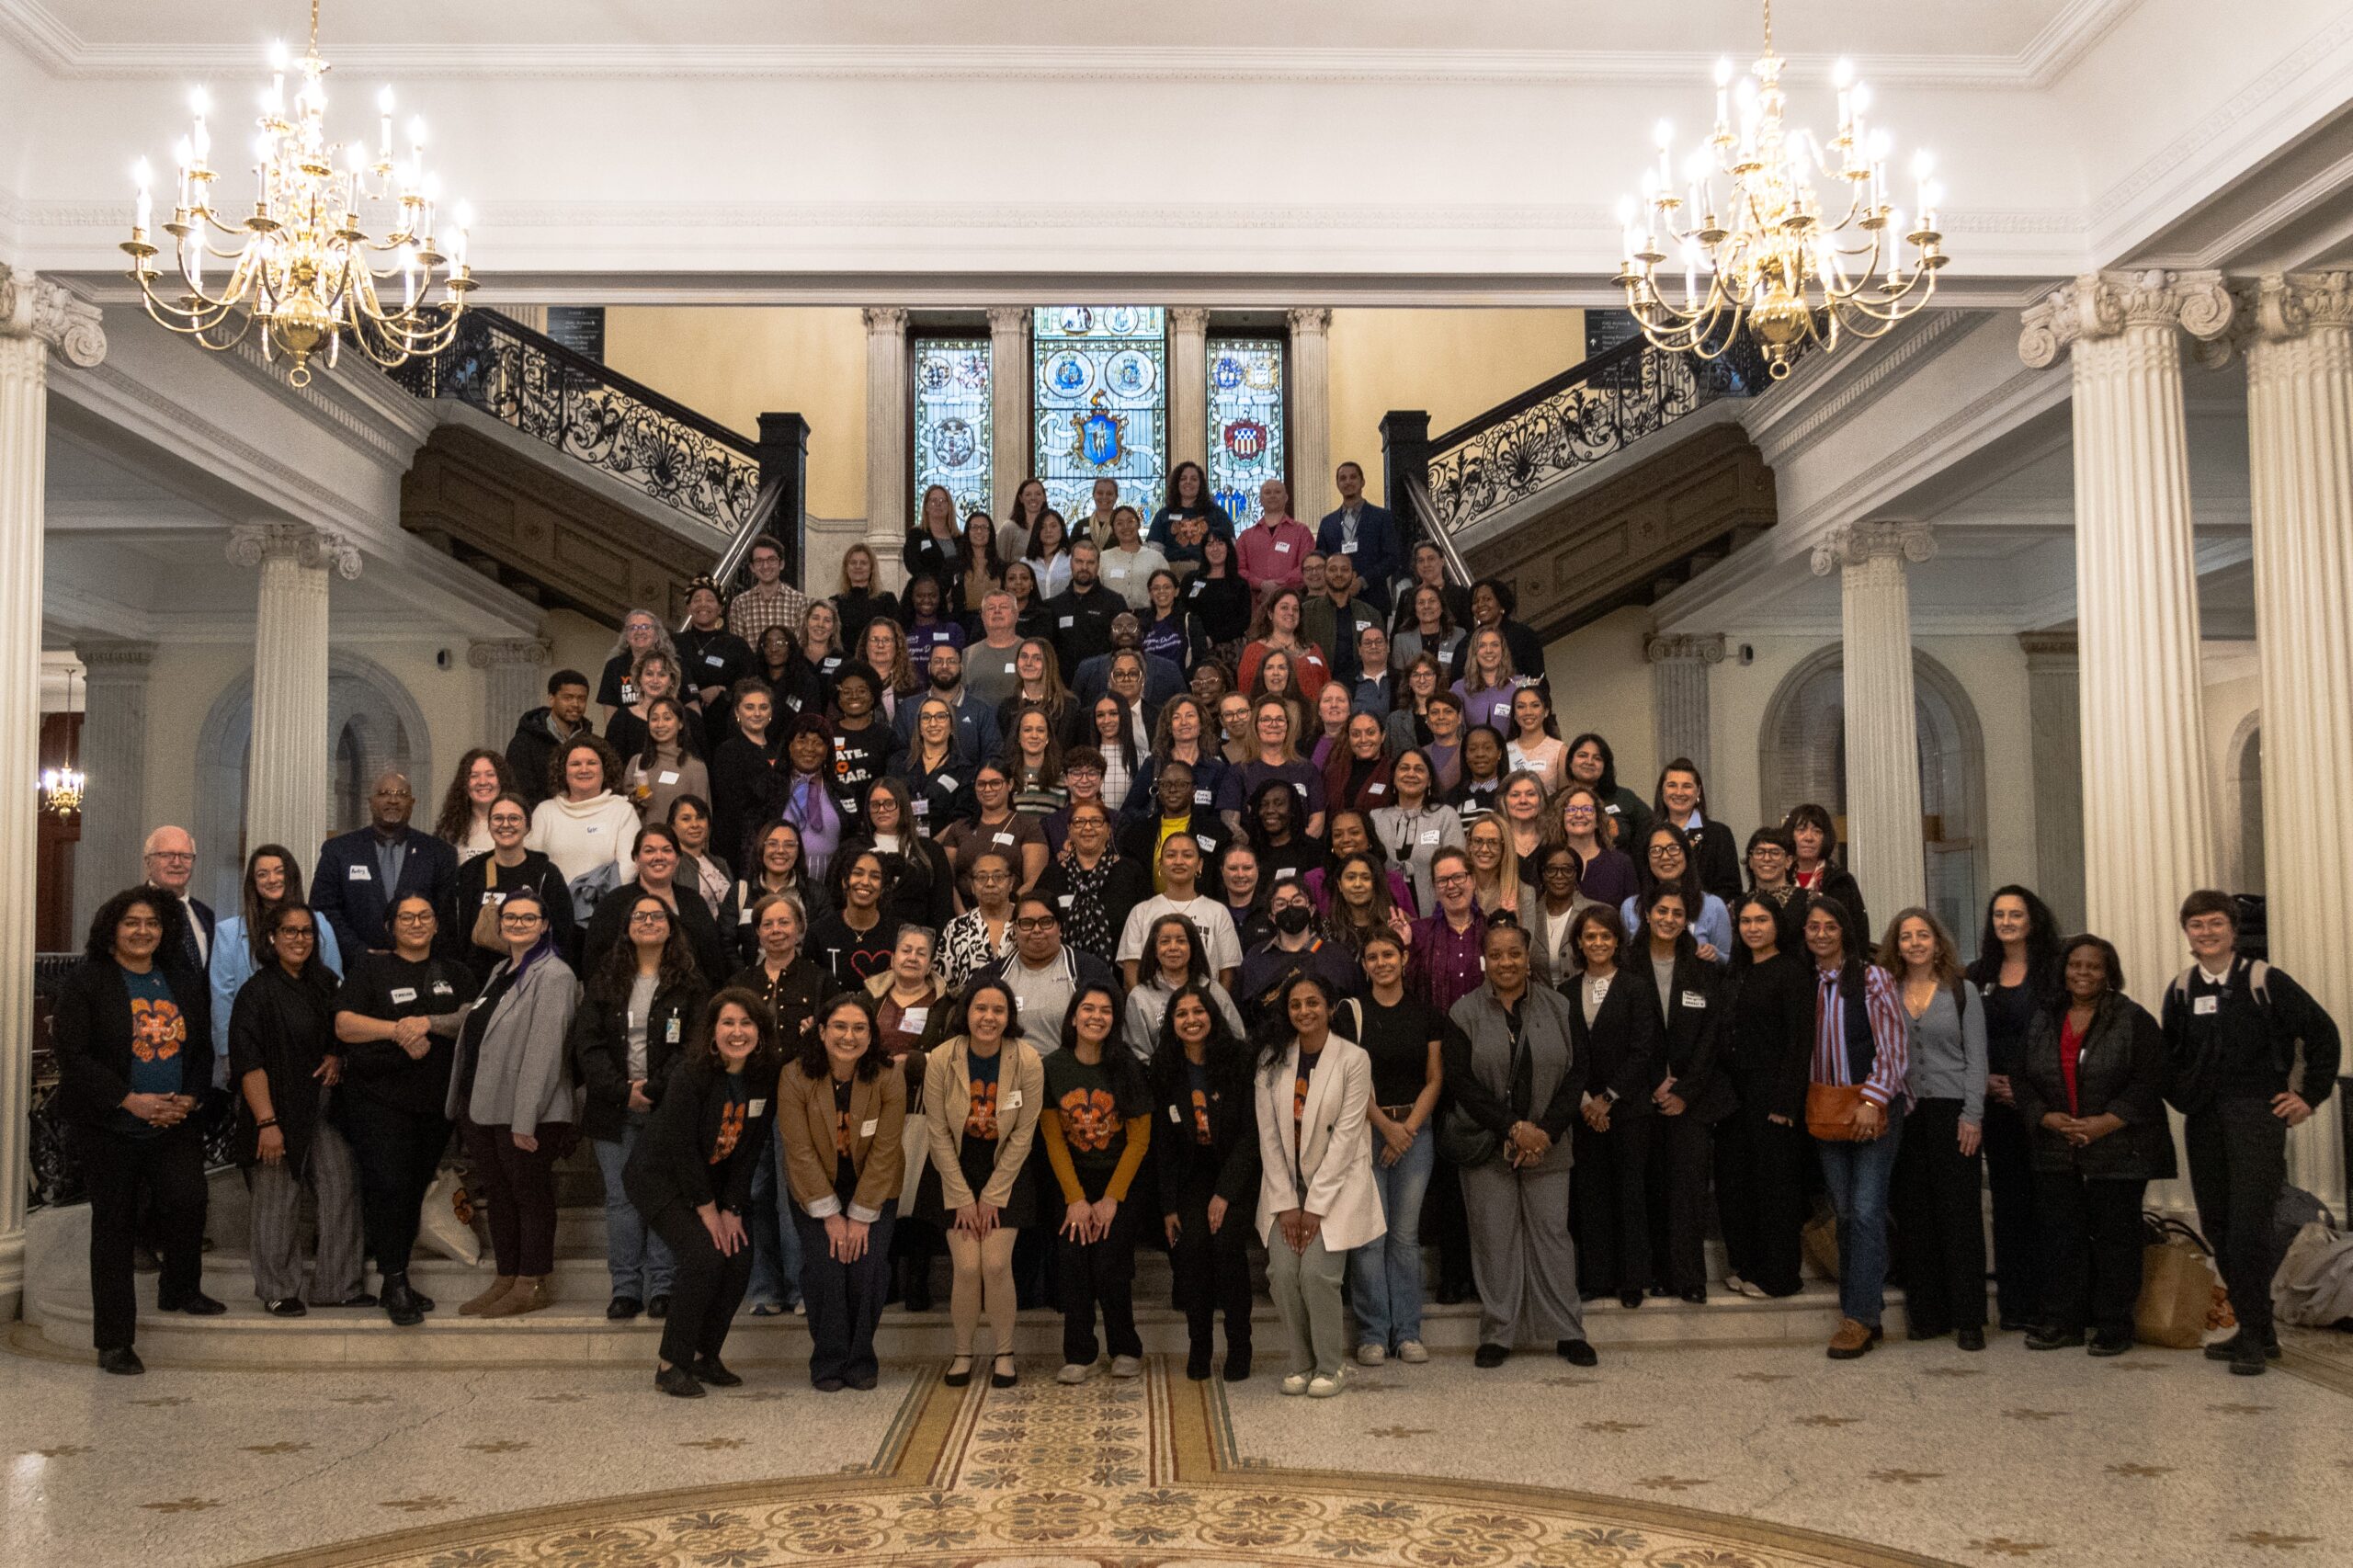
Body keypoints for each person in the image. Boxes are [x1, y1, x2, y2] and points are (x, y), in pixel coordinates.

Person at [2162, 888, 2340, 1375]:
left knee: (2248, 1226)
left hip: (2255, 1118)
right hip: (2204, 1120)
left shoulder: (2265, 980)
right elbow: (2171, 1054)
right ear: (2187, 932)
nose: (2206, 932)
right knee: (2217, 1223)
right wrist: (2183, 1096)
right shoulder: (2181, 990)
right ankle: (2258, 1334)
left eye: (2215, 923)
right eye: (2197, 925)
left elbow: (2323, 1034)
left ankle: (2255, 1335)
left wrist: (2308, 1096)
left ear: (2232, 929)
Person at [51, 888, 220, 1372]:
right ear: (112, 928)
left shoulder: (182, 979)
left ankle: (180, 1289)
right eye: (132, 923)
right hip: (108, 1124)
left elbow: (202, 1049)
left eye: (152, 923)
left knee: (189, 1201)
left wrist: (190, 1096)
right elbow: (73, 1056)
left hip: (174, 1120)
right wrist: (132, 1101)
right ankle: (114, 1340)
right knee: (114, 1227)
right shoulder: (87, 981)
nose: (142, 931)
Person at [2018, 935, 2176, 1359]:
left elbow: (2152, 1078)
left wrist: (2107, 1121)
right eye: (2075, 965)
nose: (2082, 973)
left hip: (2121, 1147)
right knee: (2060, 1237)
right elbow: (2021, 1077)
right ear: (2064, 970)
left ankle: (2113, 1325)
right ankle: (2064, 1323)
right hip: (2056, 1145)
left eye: (2093, 967)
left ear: (2109, 973)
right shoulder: (2043, 1018)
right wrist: (2044, 1117)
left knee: (2116, 1239)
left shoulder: (2132, 1019)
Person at [1450, 920, 1597, 1368]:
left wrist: (1545, 1132)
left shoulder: (1558, 1006)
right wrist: (1514, 1129)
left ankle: (1567, 1331)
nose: (1506, 963)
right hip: (1488, 1147)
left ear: (1527, 957)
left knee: (1553, 1237)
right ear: (1485, 960)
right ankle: (1499, 1331)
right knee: (1495, 1239)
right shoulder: (1463, 1012)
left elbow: (1577, 1075)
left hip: (1550, 1145)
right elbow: (1463, 1084)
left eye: (1514, 953)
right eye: (1496, 955)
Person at [331, 893, 476, 1327]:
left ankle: (399, 1275)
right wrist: (399, 1030)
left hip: (435, 1105)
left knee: (412, 1191)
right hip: (379, 1101)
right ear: (391, 925)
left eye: (424, 916)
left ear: (436, 925)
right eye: (406, 917)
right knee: (388, 1186)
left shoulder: (457, 972)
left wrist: (429, 1023)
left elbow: (473, 1020)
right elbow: (344, 1024)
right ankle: (392, 1280)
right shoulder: (371, 969)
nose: (416, 923)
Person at [625, 988, 779, 1396]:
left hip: (712, 1184)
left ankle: (704, 1355)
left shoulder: (764, 1077)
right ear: (712, 1031)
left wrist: (732, 1207)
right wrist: (708, 1210)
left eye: (746, 1023)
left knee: (739, 1255)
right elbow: (681, 1147)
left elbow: (748, 1153)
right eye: (727, 1022)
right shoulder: (690, 1074)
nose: (737, 1031)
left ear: (760, 1032)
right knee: (703, 1255)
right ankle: (670, 1363)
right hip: (659, 1177)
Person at [574, 892, 710, 1322]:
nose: (648, 921)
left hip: (668, 1109)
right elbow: (587, 1044)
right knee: (621, 1201)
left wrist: (653, 1089)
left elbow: (695, 1044)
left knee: (666, 1199)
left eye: (657, 915)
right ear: (627, 927)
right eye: (639, 916)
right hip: (612, 1108)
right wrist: (621, 1090)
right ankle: (627, 1289)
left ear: (671, 926)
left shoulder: (690, 983)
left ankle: (664, 1287)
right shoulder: (604, 980)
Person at [228, 903, 367, 1317]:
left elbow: (340, 1033)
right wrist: (266, 1123)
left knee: (341, 1188)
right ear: (271, 938)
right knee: (276, 1201)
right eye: (289, 931)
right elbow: (247, 1062)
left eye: (306, 932)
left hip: (322, 1109)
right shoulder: (256, 992)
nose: (298, 939)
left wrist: (336, 1056)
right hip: (273, 1109)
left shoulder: (325, 982)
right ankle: (277, 1289)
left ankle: (337, 1286)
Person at [448, 889, 578, 1320]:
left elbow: (544, 1053)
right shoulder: (502, 969)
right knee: (500, 1196)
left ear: (544, 925)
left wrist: (526, 1119)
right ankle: (506, 1278)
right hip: (484, 1107)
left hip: (527, 1113)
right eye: (510, 918)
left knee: (529, 1195)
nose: (518, 924)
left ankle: (532, 1281)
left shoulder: (554, 975)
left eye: (528, 918)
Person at [1254, 971, 1381, 1397]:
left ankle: (1330, 1365)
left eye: (1313, 1003)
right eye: (1295, 1005)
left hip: (1336, 1188)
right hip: (1285, 1190)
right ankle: (1300, 1363)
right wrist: (1288, 1203)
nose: (1304, 1011)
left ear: (1329, 1008)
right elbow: (1268, 1137)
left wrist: (1315, 1206)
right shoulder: (1272, 1060)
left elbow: (1346, 1138)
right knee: (1283, 1272)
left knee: (1318, 1276)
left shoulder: (1353, 1059)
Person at [1871, 906, 1990, 1348]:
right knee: (1915, 1215)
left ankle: (1970, 1318)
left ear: (1937, 942)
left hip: (1953, 1111)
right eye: (1906, 937)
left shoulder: (1963, 991)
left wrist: (1972, 1115)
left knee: (1959, 1216)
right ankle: (1928, 1314)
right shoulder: (1886, 991)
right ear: (1896, 945)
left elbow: (1977, 1057)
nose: (1915, 943)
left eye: (1923, 935)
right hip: (1904, 1113)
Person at [921, 977, 1045, 1390]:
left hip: (1007, 1168)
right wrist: (960, 1196)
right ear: (966, 1013)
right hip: (953, 1165)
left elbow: (1024, 1134)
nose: (988, 1017)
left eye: (998, 1010)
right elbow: (937, 1132)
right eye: (980, 1009)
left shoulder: (1027, 1059)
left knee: (994, 1264)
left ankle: (1004, 1352)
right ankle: (962, 1352)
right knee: (967, 1266)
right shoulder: (942, 1058)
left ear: (1009, 1017)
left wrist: (993, 1195)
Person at [780, 992, 908, 1391]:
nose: (848, 1036)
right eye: (839, 1026)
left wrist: (861, 1214)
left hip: (875, 1186)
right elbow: (799, 1152)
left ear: (871, 1036)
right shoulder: (795, 1075)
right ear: (821, 1031)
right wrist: (832, 1215)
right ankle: (828, 1359)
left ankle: (861, 1358)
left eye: (858, 1028)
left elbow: (887, 1150)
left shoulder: (888, 1076)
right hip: (814, 1186)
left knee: (868, 1269)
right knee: (826, 1269)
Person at [1803, 895, 1910, 1359]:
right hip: (1826, 1110)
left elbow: (1895, 1046)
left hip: (1872, 1109)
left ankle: (1858, 1318)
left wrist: (1873, 1099)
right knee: (1844, 1214)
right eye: (1813, 927)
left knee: (1867, 1212)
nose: (1821, 934)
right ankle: (1864, 1311)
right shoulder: (1805, 981)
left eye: (1830, 926)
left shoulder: (1872, 977)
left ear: (1844, 930)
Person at [728, 892, 838, 1318]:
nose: (776, 931)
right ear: (757, 932)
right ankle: (764, 1288)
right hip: (750, 1101)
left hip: (799, 1104)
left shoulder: (818, 981)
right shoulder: (742, 983)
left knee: (793, 1197)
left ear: (800, 929)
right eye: (768, 924)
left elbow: (834, 1043)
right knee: (753, 1193)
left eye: (784, 923)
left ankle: (800, 1288)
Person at [1041, 983, 1154, 1382]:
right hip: (1070, 1180)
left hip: (1120, 1181)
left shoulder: (1128, 1067)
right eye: (1088, 1009)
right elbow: (1053, 1138)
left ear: (1115, 1020)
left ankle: (1126, 1348)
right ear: (1074, 1017)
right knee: (1073, 1265)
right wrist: (1075, 1199)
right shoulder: (1052, 1067)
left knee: (1111, 1266)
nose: (1096, 1017)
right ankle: (1079, 1353)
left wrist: (1110, 1199)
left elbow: (1140, 1139)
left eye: (1105, 1011)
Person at [1147, 981, 1258, 1381]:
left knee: (1227, 1246)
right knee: (1191, 1250)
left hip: (1235, 1172)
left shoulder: (1240, 1060)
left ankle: (1240, 1345)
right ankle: (1200, 1344)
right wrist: (1168, 1207)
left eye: (1198, 1012)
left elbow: (1251, 1135)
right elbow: (1162, 1144)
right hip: (1191, 1176)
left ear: (1212, 1016)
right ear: (1171, 1023)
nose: (1191, 1020)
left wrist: (1225, 1194)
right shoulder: (1163, 1068)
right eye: (1181, 1014)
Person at [1965, 884, 2063, 1332]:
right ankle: (2015, 1305)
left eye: (2015, 914)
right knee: (2008, 1204)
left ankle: (2052, 1304)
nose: (2006, 922)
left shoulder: (2054, 974)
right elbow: (1966, 1039)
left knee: (2049, 1203)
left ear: (2033, 920)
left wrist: (2024, 1089)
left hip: (2043, 1103)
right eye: (1999, 915)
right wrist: (1984, 1081)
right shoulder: (1977, 973)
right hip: (1994, 1101)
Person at [1342, 928, 1443, 1367]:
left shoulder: (1427, 1014)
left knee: (1404, 1237)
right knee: (1369, 1238)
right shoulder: (1351, 1014)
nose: (1381, 963)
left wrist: (1407, 1130)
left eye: (1388, 955)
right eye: (1372, 957)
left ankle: (1407, 1332)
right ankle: (1372, 1334)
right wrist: (1386, 1127)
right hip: (1367, 1130)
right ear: (1363, 965)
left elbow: (1435, 1078)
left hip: (1416, 1133)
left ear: (1404, 959)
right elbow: (1348, 1079)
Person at [1715, 892, 1816, 1300]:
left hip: (1774, 1098)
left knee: (1775, 1189)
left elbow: (1800, 1043)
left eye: (1761, 921)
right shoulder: (1736, 972)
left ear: (1777, 925)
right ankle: (1748, 1265)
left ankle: (1779, 1276)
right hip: (1733, 1099)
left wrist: (1786, 1103)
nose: (1753, 928)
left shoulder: (1791, 974)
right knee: (1738, 1186)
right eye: (1745, 922)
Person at [1562, 905, 1661, 1308]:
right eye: (1590, 937)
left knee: (1631, 1193)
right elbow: (1567, 1055)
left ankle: (1633, 1278)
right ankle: (1597, 1277)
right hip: (1583, 1111)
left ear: (1617, 941)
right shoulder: (1565, 993)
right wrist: (1587, 1102)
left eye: (1605, 936)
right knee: (1591, 1194)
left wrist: (1607, 1099)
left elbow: (1643, 1051)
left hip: (1629, 1109)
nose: (1598, 943)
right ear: (1579, 944)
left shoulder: (1636, 988)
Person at [1638, 888, 1733, 1303]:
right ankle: (1658, 1272)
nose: (1669, 918)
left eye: (1677, 913)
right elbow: (1623, 1032)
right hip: (1642, 1095)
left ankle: (1690, 1276)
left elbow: (1713, 1035)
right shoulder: (1627, 962)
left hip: (1693, 1098)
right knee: (1652, 1187)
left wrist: (1685, 1090)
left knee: (1689, 1189)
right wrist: (1652, 1082)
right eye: (1662, 910)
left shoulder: (1703, 965)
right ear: (1647, 912)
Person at [210, 845, 347, 1073]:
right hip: (253, 1045)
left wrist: (336, 1050)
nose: (272, 879)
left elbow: (336, 987)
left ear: (291, 875)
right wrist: (227, 1053)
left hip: (312, 1045)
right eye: (262, 874)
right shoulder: (228, 931)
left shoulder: (319, 924)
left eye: (279, 871)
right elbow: (222, 997)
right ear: (253, 882)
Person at [313, 772, 460, 959]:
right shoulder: (339, 850)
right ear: (370, 801)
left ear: (412, 803)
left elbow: (446, 919)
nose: (393, 800)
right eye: (384, 793)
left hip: (420, 968)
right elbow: (323, 909)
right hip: (355, 967)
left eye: (401, 794)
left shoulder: (439, 853)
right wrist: (359, 952)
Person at [579, 822, 733, 985]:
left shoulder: (694, 902)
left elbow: (713, 963)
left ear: (678, 858)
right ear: (636, 859)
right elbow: (595, 965)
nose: (659, 857)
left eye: (667, 850)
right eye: (649, 851)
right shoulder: (614, 904)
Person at [453, 792, 577, 985]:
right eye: (498, 818)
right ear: (489, 825)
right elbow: (459, 932)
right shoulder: (471, 872)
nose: (505, 825)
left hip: (531, 979)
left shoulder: (545, 874)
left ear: (527, 826)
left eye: (514, 818)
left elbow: (563, 933)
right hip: (478, 981)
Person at [981, 894, 1120, 1059]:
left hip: (1069, 1073)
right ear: (1014, 928)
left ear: (1060, 927)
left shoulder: (1088, 969)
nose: (1037, 930)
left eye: (1046, 922)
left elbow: (1113, 1023)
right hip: (1009, 1072)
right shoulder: (992, 975)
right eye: (1027, 923)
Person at [525, 734, 642, 911]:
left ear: (605, 769)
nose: (584, 769)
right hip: (552, 910)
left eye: (592, 763)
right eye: (575, 764)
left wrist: (595, 903)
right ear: (564, 771)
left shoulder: (622, 811)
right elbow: (531, 863)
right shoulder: (545, 811)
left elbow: (630, 866)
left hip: (604, 910)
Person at [1117, 833, 1243, 992]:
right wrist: (1147, 1008)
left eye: (1187, 855)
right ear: (1160, 864)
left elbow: (1227, 974)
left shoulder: (1217, 912)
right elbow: (1130, 973)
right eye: (1171, 855)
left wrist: (1210, 1011)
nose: (1178, 861)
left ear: (1199, 865)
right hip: (1151, 1011)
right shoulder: (1141, 912)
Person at [1033, 800, 1151, 963]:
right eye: (1079, 822)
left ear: (1109, 829)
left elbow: (1146, 927)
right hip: (1061, 972)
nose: (1087, 828)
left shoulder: (1131, 872)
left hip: (1119, 977)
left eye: (1096, 821)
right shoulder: (1053, 874)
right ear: (1069, 830)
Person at [1237, 880, 1361, 1029]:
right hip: (1270, 1047)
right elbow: (1243, 1013)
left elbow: (1356, 1008)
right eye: (1281, 904)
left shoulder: (1338, 957)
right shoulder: (1256, 957)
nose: (1290, 908)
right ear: (1272, 917)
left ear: (1311, 909)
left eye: (1297, 901)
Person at [841, 778, 955, 936]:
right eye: (875, 805)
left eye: (889, 803)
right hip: (862, 944)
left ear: (902, 805)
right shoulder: (851, 849)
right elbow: (837, 903)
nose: (881, 810)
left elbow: (942, 910)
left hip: (915, 948)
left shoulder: (931, 851)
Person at [721, 818, 833, 963]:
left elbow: (826, 943)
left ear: (799, 851)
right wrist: (744, 978)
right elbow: (726, 944)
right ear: (761, 848)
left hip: (803, 981)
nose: (780, 850)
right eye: (772, 844)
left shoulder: (816, 893)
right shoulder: (740, 892)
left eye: (789, 845)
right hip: (749, 982)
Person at [1370, 748, 1462, 915]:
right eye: (1404, 768)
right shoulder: (1376, 818)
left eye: (1419, 769)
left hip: (1436, 917)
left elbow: (1457, 870)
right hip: (1385, 917)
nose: (1411, 774)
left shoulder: (1445, 816)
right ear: (1394, 777)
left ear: (1429, 781)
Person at [1622, 823, 1732, 964]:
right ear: (1647, 859)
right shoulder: (1630, 907)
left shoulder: (1713, 906)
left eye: (1673, 849)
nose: (1665, 857)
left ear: (1686, 855)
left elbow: (1729, 962)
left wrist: (1715, 955)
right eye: (1656, 850)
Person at [939, 763, 1048, 895]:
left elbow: (1033, 881)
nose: (987, 789)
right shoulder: (959, 828)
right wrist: (964, 914)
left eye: (995, 783)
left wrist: (1010, 911)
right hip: (965, 910)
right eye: (981, 784)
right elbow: (946, 882)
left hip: (1013, 909)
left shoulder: (1027, 826)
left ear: (1010, 784)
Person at [826, 662, 904, 841]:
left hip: (875, 825)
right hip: (832, 825)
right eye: (847, 692)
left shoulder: (887, 737)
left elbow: (894, 785)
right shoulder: (825, 734)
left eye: (862, 691)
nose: (854, 696)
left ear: (873, 696)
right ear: (838, 697)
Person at [675, 574, 756, 745]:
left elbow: (750, 683)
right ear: (688, 608)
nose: (703, 604)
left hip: (725, 730)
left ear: (720, 608)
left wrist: (722, 690)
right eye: (697, 600)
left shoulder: (736, 645)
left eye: (710, 599)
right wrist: (694, 695)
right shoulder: (674, 643)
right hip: (680, 728)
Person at [806, 849, 901, 992]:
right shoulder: (818, 932)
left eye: (875, 877)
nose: (865, 882)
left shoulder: (900, 933)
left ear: (883, 888)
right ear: (845, 881)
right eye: (858, 873)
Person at [892, 641, 1001, 764]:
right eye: (938, 661)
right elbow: (897, 757)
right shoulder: (909, 708)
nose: (944, 666)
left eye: (951, 661)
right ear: (929, 667)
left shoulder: (982, 710)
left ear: (961, 668)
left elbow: (993, 757)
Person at [1316, 459, 1404, 612]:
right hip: (1335, 602)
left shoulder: (1382, 517)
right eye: (1343, 478)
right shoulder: (1327, 523)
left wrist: (1362, 581)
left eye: (1353, 477)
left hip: (1374, 599)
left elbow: (1392, 558)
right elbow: (1322, 560)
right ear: (1337, 484)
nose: (1348, 482)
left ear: (1362, 482)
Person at [506, 670, 597, 811]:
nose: (576, 704)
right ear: (551, 699)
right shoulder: (523, 744)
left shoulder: (595, 745)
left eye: (582, 699)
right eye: (568, 698)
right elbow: (520, 795)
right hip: (539, 823)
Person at [777, 713, 848, 885]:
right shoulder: (768, 789)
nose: (810, 748)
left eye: (818, 743)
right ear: (790, 746)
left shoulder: (842, 792)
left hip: (831, 890)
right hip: (780, 889)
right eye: (802, 741)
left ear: (827, 751)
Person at [895, 696, 981, 837]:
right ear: (919, 728)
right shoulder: (899, 763)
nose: (933, 723)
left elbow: (961, 820)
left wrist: (933, 848)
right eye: (926, 717)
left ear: (952, 726)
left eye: (941, 716)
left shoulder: (965, 770)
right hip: (900, 843)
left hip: (943, 848)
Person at [1784, 802, 1870, 941]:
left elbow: (1857, 933)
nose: (1809, 838)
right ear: (1790, 835)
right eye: (1801, 830)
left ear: (1825, 838)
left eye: (1817, 831)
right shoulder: (1778, 877)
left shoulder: (1841, 881)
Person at [621, 698, 711, 828]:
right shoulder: (637, 763)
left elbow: (702, 820)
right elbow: (623, 813)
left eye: (667, 718)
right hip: (644, 844)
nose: (660, 724)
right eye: (654, 719)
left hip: (679, 846)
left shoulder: (695, 767)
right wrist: (636, 800)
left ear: (680, 724)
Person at [607, 654, 709, 765]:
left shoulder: (690, 718)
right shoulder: (621, 718)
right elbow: (610, 765)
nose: (655, 680)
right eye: (649, 674)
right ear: (639, 679)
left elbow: (703, 764)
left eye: (662, 675)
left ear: (672, 681)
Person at [1045, 539, 1127, 675]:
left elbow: (1122, 647)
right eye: (1079, 561)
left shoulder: (1114, 602)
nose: (1084, 567)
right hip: (1064, 684)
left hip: (1102, 679)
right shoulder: (1054, 605)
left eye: (1090, 562)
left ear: (1098, 565)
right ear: (1071, 563)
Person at [1236, 587, 1332, 704]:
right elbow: (1246, 695)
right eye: (1284, 607)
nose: (1291, 613)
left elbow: (1328, 687)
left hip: (1314, 719)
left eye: (1295, 609)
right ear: (1270, 614)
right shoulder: (1254, 651)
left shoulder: (1313, 649)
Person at [940, 850, 1017, 990]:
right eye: (981, 877)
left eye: (998, 877)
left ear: (1011, 882)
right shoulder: (956, 928)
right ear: (972, 886)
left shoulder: (1026, 922)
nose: (990, 883)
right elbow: (941, 982)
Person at [1526, 845, 1600, 986]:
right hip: (1543, 1004)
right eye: (1551, 870)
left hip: (1589, 1001)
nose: (1559, 876)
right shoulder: (1529, 915)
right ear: (1542, 874)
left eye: (1567, 870)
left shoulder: (1597, 913)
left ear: (1576, 874)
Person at [1564, 733, 1650, 855]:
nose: (1589, 762)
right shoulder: (1556, 802)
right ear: (1570, 762)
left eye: (1597, 758)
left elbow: (1652, 830)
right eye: (1582, 755)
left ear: (1605, 766)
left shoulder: (1624, 798)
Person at [1301, 554, 1381, 684]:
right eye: (1332, 569)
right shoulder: (1306, 612)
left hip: (1360, 686)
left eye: (1344, 569)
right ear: (1325, 574)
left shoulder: (1370, 614)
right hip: (1316, 683)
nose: (1338, 574)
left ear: (1353, 575)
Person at [991, 637, 1081, 752]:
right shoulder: (1007, 707)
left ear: (1049, 664)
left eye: (1037, 658)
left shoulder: (1068, 706)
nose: (1028, 663)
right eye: (1024, 656)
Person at [725, 534, 811, 650]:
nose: (765, 566)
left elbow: (800, 646)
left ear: (781, 564)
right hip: (752, 667)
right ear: (752, 567)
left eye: (771, 560)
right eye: (759, 561)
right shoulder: (740, 603)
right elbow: (739, 649)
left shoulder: (800, 602)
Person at [1235, 480, 1315, 602]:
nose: (1272, 495)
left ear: (1286, 497)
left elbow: (1307, 567)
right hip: (1255, 607)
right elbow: (1238, 570)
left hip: (1292, 604)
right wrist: (1261, 584)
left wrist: (1277, 586)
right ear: (1260, 499)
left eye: (1277, 492)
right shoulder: (1245, 537)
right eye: (1267, 492)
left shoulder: (1301, 532)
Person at [434, 749, 517, 864]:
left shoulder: (519, 826)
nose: (482, 782)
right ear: (464, 784)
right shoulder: (451, 830)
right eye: (474, 776)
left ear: (502, 781)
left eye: (490, 775)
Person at [597, 608, 676, 717]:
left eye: (646, 627)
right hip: (626, 730)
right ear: (626, 637)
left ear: (657, 635)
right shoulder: (614, 666)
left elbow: (690, 705)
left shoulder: (673, 664)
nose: (639, 631)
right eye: (632, 628)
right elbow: (610, 709)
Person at [1186, 529, 1254, 653]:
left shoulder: (1240, 584)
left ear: (1228, 548)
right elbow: (1183, 611)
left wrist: (1213, 639)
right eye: (1210, 544)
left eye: (1220, 544)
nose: (1215, 549)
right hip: (1195, 646)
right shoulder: (1191, 579)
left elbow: (1244, 621)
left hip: (1230, 649)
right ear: (1203, 550)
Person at [1321, 711, 1394, 823]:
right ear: (1349, 738)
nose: (1363, 740)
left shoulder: (1394, 771)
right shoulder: (1334, 772)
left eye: (1370, 733)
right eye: (1356, 734)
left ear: (1383, 736)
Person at [667, 795, 733, 916]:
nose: (695, 824)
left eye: (700, 818)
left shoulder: (720, 863)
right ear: (672, 826)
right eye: (686, 819)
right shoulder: (670, 864)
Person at [1149, 459, 1236, 550]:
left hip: (1207, 563)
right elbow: (1154, 553)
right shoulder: (1163, 515)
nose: (1188, 482)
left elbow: (1230, 548)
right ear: (1176, 483)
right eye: (1183, 479)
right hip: (1170, 563)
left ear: (1201, 484)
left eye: (1194, 479)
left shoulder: (1218, 514)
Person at [964, 589, 1028, 711]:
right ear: (982, 616)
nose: (997, 611)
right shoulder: (967, 655)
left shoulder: (1031, 652)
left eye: (1003, 607)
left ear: (1016, 614)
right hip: (979, 727)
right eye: (991, 608)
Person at [1142, 568, 1212, 675]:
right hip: (1150, 684)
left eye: (1167, 587)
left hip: (1181, 684)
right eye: (1156, 588)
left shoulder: (1189, 621)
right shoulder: (1142, 624)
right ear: (1150, 593)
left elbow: (1200, 658)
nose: (1161, 592)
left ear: (1176, 591)